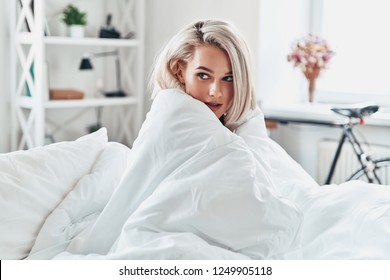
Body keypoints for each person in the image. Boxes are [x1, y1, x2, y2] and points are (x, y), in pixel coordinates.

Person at [149, 19, 257, 130]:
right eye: (203, 76)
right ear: (179, 72)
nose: (215, 92)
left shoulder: (248, 129)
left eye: (228, 78)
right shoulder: (169, 125)